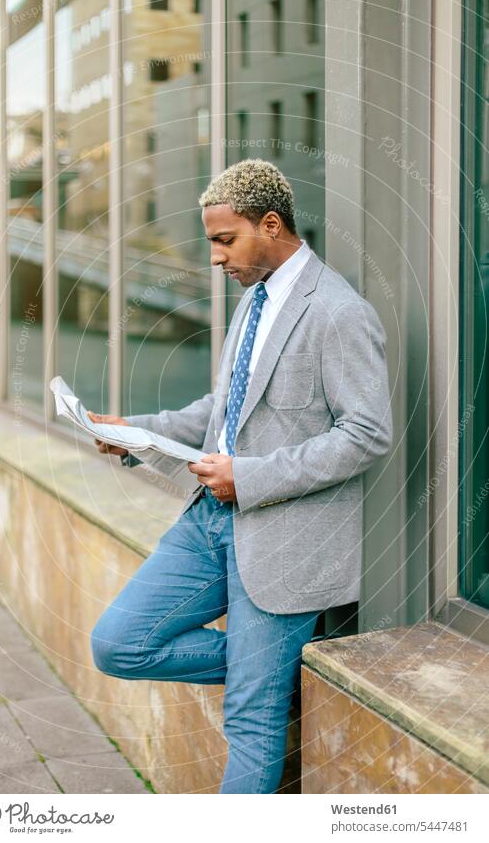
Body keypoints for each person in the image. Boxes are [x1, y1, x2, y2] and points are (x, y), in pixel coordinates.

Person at [88, 158, 393, 794]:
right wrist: (136, 432)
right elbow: (224, 411)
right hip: (208, 523)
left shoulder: (338, 311)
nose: (215, 258)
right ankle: (273, 673)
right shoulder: (253, 301)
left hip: (285, 540)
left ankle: (266, 682)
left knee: (250, 720)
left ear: (272, 225)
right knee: (118, 644)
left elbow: (367, 434)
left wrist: (249, 477)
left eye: (225, 240)